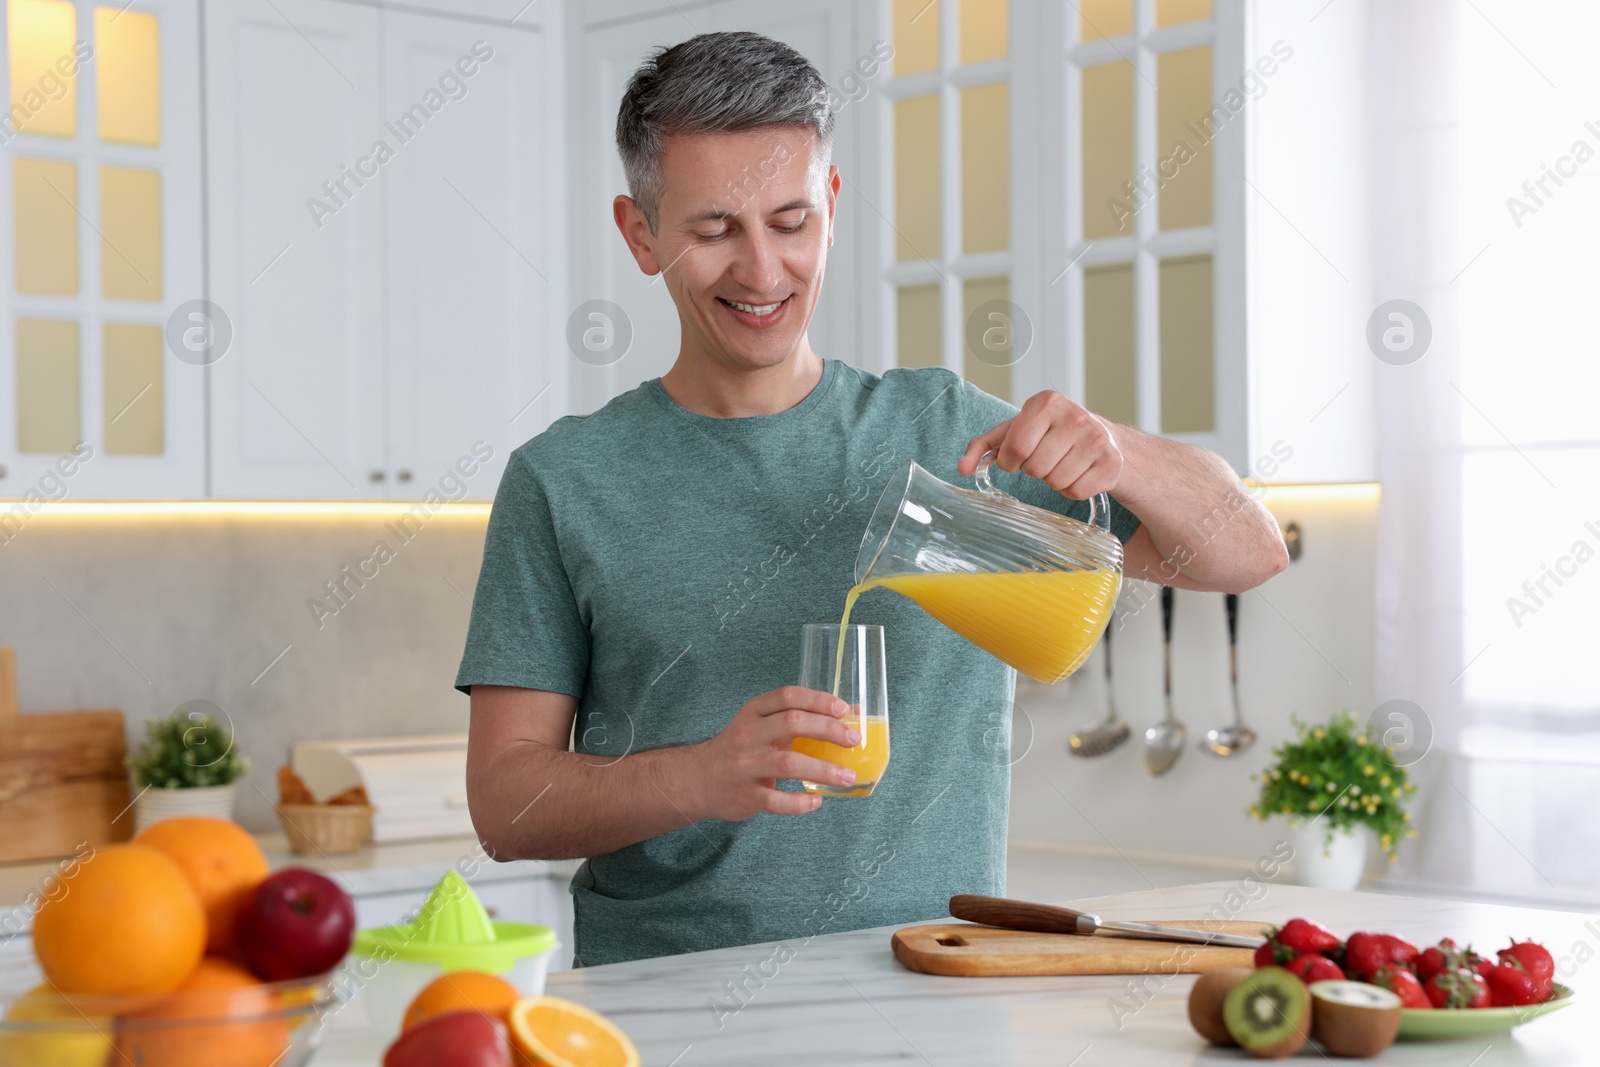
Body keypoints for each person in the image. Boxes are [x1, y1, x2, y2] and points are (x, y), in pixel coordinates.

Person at [458, 31, 1287, 968]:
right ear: (640, 232)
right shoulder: (564, 480)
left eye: (790, 220)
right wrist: (700, 775)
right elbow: (505, 804)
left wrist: (1121, 452)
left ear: (834, 206)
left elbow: (1249, 550)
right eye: (713, 229)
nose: (763, 272)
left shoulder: (945, 433)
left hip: (932, 983)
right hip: (671, 1008)